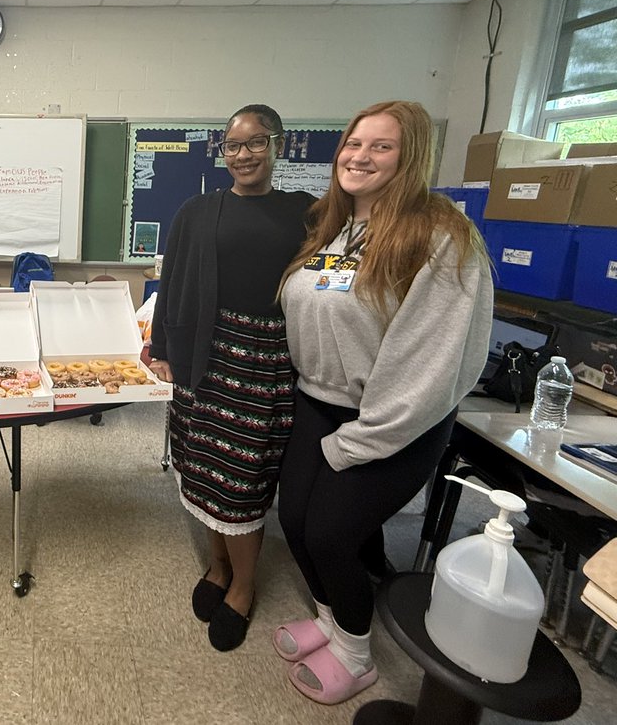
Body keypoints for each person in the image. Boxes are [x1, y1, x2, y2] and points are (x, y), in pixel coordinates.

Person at [273, 100, 492, 705]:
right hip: (319, 401)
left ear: (411, 156)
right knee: (294, 522)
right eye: (353, 143)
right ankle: (328, 620)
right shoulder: (335, 229)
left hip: (397, 418)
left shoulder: (441, 237)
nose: (359, 156)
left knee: (334, 535)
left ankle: (355, 653)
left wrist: (365, 438)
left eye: (381, 146)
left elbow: (432, 358)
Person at [148, 104, 314, 651]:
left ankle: (243, 586)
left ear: (280, 145)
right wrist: (163, 348)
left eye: (255, 143)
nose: (242, 154)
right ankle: (217, 565)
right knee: (203, 469)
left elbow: (329, 284)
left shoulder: (309, 214)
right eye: (232, 145)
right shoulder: (197, 211)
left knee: (241, 482)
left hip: (264, 362)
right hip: (204, 354)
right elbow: (171, 281)